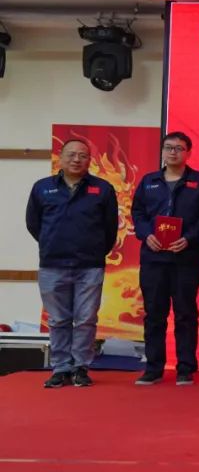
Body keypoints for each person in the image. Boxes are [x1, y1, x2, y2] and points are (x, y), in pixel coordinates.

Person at [25, 139, 118, 388]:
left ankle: (80, 367)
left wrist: (95, 250)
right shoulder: (42, 188)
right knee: (58, 320)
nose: (77, 159)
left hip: (90, 265)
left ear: (90, 160)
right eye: (72, 154)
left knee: (86, 319)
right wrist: (52, 244)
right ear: (61, 156)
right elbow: (33, 224)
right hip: (52, 264)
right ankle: (60, 368)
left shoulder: (103, 189)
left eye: (83, 155)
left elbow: (110, 229)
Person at [131, 132, 199, 386]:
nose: (173, 152)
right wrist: (146, 235)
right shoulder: (149, 181)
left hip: (187, 257)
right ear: (162, 151)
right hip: (154, 257)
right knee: (154, 313)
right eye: (169, 148)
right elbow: (138, 213)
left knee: (185, 313)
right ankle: (153, 368)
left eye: (179, 148)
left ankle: (185, 368)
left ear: (188, 153)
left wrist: (189, 238)